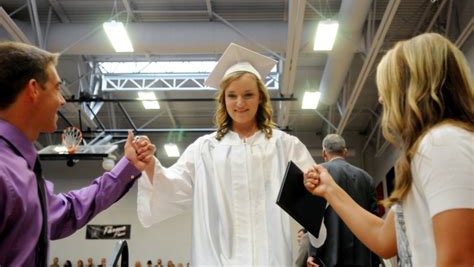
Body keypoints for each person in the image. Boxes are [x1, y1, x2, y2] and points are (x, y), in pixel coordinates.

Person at [137, 43, 316, 265]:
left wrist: (311, 184)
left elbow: (314, 197)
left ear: (260, 97)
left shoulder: (284, 145)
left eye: (248, 94)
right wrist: (150, 164)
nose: (240, 103)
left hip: (270, 258)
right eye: (232, 95)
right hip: (216, 259)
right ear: (223, 99)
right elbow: (175, 185)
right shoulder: (204, 149)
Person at [304, 33, 474, 266]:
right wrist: (330, 190)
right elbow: (384, 238)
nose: (382, 100)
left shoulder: (443, 143)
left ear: (414, 88)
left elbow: (460, 259)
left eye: (388, 88)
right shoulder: (429, 148)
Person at [0, 41, 156, 266]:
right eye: (56, 88)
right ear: (33, 89)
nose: (63, 100)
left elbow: (66, 213)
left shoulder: (20, 169)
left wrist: (127, 166)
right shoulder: (5, 171)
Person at [307, 134, 379, 267]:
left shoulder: (319, 175)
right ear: (345, 151)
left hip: (329, 257)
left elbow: (315, 218)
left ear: (324, 153)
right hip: (362, 257)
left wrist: (312, 252)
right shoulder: (366, 178)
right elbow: (374, 219)